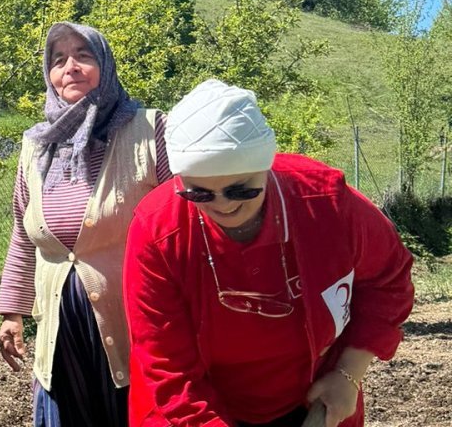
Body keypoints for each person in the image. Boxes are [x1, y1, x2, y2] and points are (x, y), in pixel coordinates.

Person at [123, 79, 415, 427]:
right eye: (199, 193)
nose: (223, 205)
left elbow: (389, 280)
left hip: (314, 395)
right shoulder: (158, 232)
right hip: (193, 409)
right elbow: (168, 368)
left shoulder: (326, 204)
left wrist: (347, 373)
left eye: (240, 189)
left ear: (265, 166)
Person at [0, 22, 171, 427]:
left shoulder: (149, 129)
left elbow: (182, 222)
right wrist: (12, 312)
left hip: (136, 325)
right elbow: (23, 232)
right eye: (58, 60)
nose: (70, 67)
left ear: (105, 66)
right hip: (61, 333)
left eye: (83, 56)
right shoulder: (36, 145)